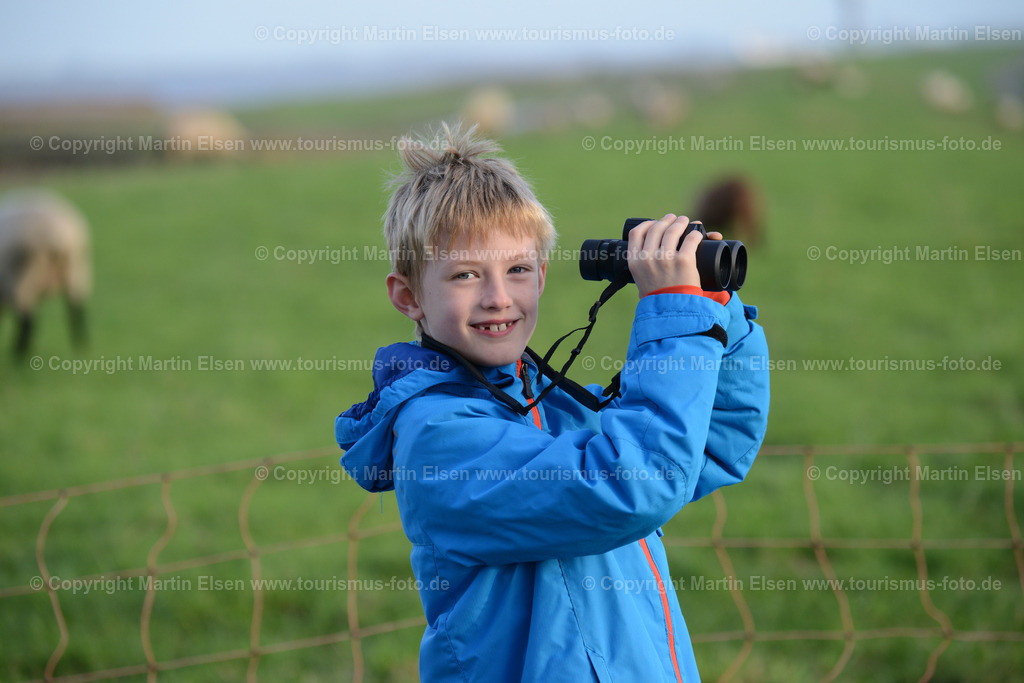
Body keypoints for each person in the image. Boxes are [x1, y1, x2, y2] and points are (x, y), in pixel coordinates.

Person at [336, 122, 770, 682]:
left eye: (517, 270)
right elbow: (635, 481)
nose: (498, 298)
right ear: (408, 296)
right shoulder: (440, 438)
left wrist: (717, 313)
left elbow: (711, 444)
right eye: (466, 275)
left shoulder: (557, 410)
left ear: (541, 276)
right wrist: (675, 318)